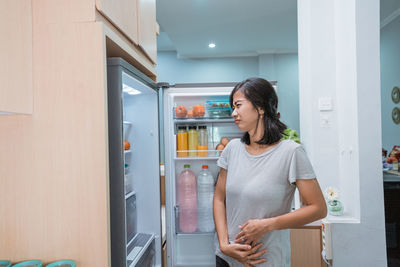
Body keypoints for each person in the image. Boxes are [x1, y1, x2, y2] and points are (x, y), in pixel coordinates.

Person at [213, 77, 327, 267]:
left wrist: (267, 225)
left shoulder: (291, 152)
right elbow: (219, 198)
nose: (234, 113)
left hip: (266, 260)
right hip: (227, 257)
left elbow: (318, 208)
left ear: (261, 108)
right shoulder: (232, 149)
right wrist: (224, 244)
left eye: (238, 105)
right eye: (233, 107)